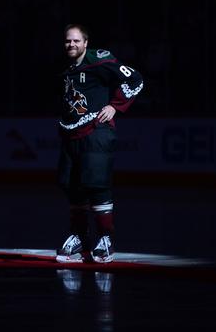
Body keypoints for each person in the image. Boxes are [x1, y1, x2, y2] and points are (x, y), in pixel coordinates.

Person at [56, 24, 143, 263]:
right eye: (67, 41)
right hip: (70, 136)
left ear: (85, 43)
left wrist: (115, 106)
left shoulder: (98, 60)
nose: (71, 45)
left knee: (97, 183)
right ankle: (79, 238)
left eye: (75, 41)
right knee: (71, 185)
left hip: (96, 133)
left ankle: (106, 239)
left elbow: (134, 79)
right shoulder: (65, 67)